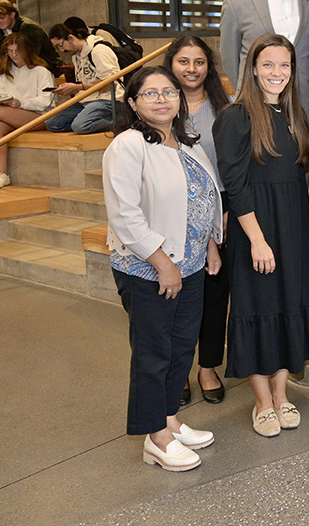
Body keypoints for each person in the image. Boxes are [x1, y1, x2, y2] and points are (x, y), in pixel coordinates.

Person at [102, 67, 223, 472]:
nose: (161, 99)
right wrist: (163, 264)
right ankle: (156, 437)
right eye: (149, 93)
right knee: (154, 353)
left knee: (181, 348)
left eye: (168, 92)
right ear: (133, 103)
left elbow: (202, 199)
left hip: (189, 264)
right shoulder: (127, 146)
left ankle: (171, 419)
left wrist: (209, 244)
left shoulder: (185, 142)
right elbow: (124, 215)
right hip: (148, 270)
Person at [213, 34, 309, 439]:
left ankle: (281, 395)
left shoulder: (294, 114)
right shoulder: (236, 116)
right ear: (253, 68)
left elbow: (298, 180)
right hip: (255, 230)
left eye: (284, 65)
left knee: (289, 304)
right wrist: (257, 240)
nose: (276, 73)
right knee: (258, 307)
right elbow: (235, 184)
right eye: (268, 65)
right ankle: (262, 402)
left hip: (292, 228)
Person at [163, 36, 232, 407]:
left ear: (209, 66)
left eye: (199, 62)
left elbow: (235, 165)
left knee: (214, 295)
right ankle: (181, 367)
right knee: (179, 297)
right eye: (184, 61)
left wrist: (225, 207)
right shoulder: (160, 106)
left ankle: (207, 367)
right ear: (171, 64)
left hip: (220, 212)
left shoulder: (227, 107)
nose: (192, 69)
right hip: (172, 217)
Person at [0, 34, 55, 189]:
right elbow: (2, 95)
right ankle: (2, 174)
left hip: (41, 115)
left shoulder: (41, 71)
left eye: (17, 51)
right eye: (9, 51)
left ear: (27, 51)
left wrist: (20, 103)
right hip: (14, 115)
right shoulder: (4, 73)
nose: (13, 55)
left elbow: (46, 101)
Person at [46, 23, 122, 134]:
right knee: (53, 123)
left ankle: (123, 120)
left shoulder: (99, 51)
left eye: (60, 45)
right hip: (85, 99)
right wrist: (69, 89)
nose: (61, 50)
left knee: (80, 126)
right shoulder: (76, 56)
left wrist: (78, 87)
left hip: (107, 99)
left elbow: (111, 84)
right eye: (58, 47)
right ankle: (90, 119)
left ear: (71, 38)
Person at [0, 0, 59, 72]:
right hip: (15, 62)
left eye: (2, 18)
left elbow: (31, 55)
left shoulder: (30, 27)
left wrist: (2, 62)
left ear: (13, 14)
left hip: (43, 63)